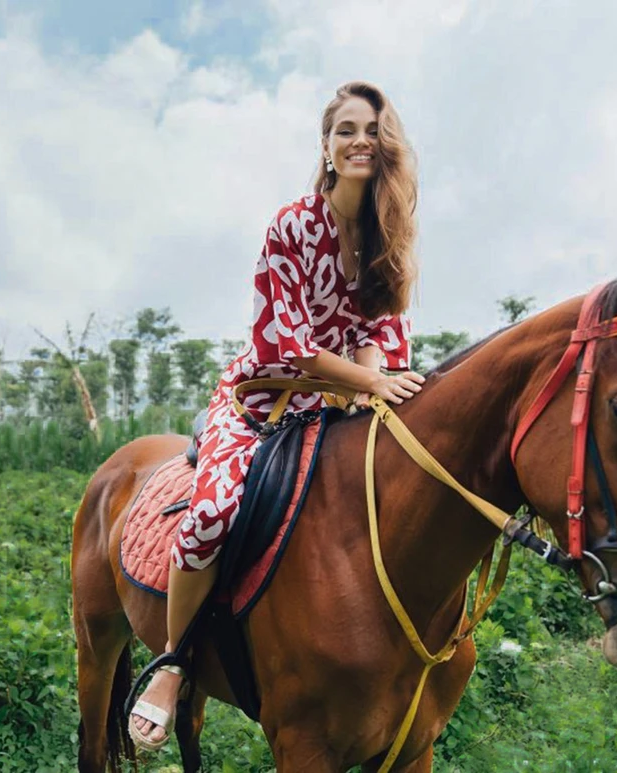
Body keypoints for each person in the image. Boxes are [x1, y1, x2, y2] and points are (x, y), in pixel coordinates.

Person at [130, 80, 425, 749]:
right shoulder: (293, 225)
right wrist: (372, 380)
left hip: (343, 405)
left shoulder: (389, 235)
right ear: (326, 146)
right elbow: (287, 345)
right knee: (211, 514)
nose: (359, 141)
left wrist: (377, 373)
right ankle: (174, 662)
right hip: (263, 399)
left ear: (387, 148)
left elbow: (385, 332)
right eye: (346, 130)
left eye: (372, 131)